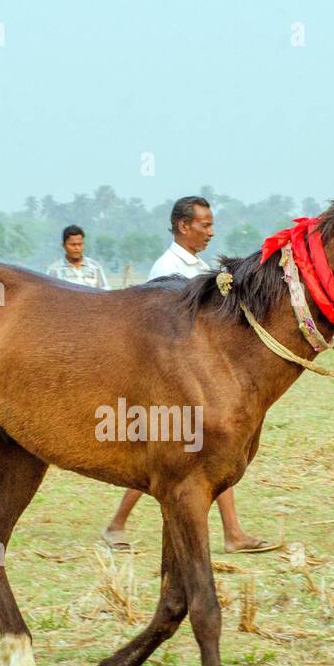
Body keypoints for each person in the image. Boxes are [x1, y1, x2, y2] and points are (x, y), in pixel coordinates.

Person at [102, 195, 279, 554]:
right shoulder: (166, 268)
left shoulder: (197, 266)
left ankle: (231, 533)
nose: (211, 232)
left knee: (213, 452)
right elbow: (155, 327)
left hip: (198, 380)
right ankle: (116, 524)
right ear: (184, 226)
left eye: (211, 224)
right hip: (170, 383)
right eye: (205, 225)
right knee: (172, 459)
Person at [46, 224, 109, 289]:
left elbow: (104, 291)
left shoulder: (95, 267)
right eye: (73, 245)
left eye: (80, 244)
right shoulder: (54, 270)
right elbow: (49, 294)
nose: (77, 248)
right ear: (63, 245)